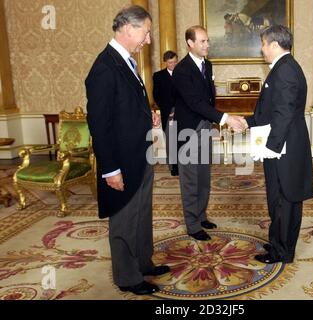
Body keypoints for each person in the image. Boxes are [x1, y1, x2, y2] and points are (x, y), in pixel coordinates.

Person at [85, 5, 169, 295]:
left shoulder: (128, 62)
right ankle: (127, 276)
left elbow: (125, 107)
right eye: (146, 33)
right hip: (120, 161)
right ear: (129, 29)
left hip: (140, 155)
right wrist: (110, 169)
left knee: (142, 213)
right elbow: (99, 124)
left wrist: (150, 115)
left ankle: (143, 262)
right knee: (124, 218)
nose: (148, 40)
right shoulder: (104, 68)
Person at [244, 25, 313, 264]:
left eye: (263, 44)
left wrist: (269, 148)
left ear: (274, 45)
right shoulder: (284, 67)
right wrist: (247, 122)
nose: (262, 49)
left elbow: (283, 115)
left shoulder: (284, 70)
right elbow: (270, 111)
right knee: (279, 198)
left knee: (285, 200)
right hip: (282, 144)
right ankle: (278, 241)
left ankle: (282, 251)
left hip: (283, 147)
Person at [172, 25, 245, 241]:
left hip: (205, 126)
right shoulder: (182, 70)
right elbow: (194, 102)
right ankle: (193, 225)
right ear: (190, 43)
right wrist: (225, 119)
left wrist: (214, 120)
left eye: (208, 41)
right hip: (188, 130)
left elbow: (209, 99)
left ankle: (201, 215)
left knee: (204, 176)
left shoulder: (208, 65)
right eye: (202, 41)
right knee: (190, 179)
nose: (207, 45)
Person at [153, 50, 179, 176]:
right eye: (170, 62)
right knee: (171, 140)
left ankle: (183, 165)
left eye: (175, 62)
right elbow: (156, 95)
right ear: (165, 62)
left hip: (182, 112)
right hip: (167, 113)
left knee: (182, 139)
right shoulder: (158, 76)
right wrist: (168, 110)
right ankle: (173, 166)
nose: (173, 64)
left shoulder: (183, 74)